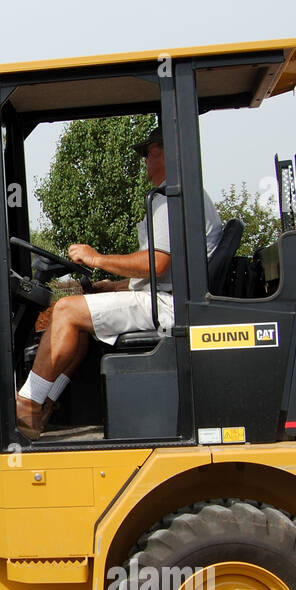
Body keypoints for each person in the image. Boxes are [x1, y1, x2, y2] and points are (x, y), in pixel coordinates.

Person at [16, 125, 222, 438]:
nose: (145, 161)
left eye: (149, 152)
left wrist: (96, 258)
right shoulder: (181, 196)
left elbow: (157, 263)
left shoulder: (172, 198)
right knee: (79, 324)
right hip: (171, 298)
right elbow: (167, 271)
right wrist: (113, 287)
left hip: (171, 307)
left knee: (66, 311)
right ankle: (45, 404)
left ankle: (26, 403)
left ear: (168, 153)